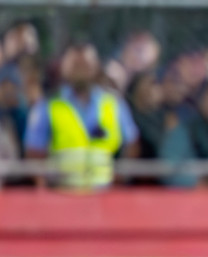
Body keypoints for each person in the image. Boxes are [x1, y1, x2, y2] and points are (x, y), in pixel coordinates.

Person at [23, 41, 139, 192]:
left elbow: (132, 144)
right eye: (75, 65)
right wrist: (45, 188)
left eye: (85, 65)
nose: (81, 71)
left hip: (105, 196)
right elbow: (33, 152)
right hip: (62, 194)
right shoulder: (47, 105)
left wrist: (119, 179)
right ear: (64, 68)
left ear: (96, 67)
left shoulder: (114, 104)